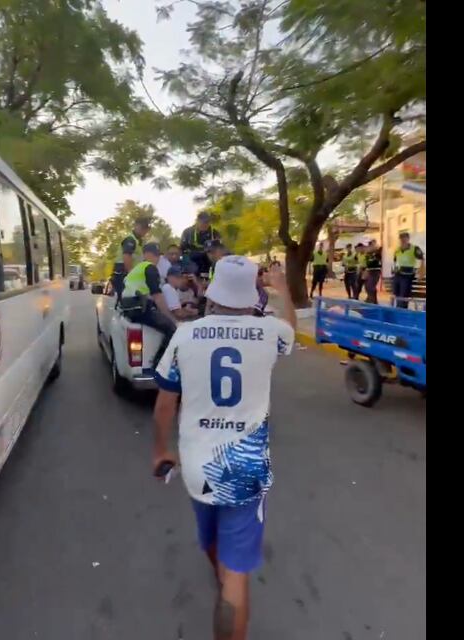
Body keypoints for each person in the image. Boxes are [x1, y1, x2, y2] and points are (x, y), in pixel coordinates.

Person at [152, 258, 297, 640]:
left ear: (212, 296)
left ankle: (221, 571)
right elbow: (291, 328)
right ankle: (229, 580)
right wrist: (281, 287)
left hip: (197, 466)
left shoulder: (185, 335)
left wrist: (161, 451)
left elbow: (164, 405)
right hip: (245, 469)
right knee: (236, 579)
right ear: (253, 298)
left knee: (211, 541)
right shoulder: (269, 332)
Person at [120, 243, 178, 366]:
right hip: (139, 309)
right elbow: (157, 296)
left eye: (157, 255)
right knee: (172, 328)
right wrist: (170, 317)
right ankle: (160, 362)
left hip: (129, 308)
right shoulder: (150, 268)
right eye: (154, 255)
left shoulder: (137, 269)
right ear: (146, 254)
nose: (156, 258)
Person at [112, 216, 151, 301]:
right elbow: (127, 256)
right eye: (142, 227)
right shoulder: (130, 240)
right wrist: (131, 274)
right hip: (123, 273)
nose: (144, 230)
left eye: (146, 228)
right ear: (136, 226)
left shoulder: (139, 241)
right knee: (127, 300)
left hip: (128, 273)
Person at [180, 211, 222, 277]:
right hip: (192, 259)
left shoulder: (215, 233)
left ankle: (209, 279)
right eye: (203, 221)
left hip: (208, 259)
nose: (205, 224)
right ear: (197, 221)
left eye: (207, 222)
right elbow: (182, 249)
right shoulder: (187, 232)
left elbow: (219, 250)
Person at [392, 232, 424, 309]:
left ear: (408, 239)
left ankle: (402, 309)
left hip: (407, 275)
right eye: (401, 238)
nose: (403, 240)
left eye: (404, 238)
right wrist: (394, 270)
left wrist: (421, 272)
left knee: (404, 294)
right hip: (398, 274)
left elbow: (422, 260)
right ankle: (398, 309)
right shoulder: (397, 250)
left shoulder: (414, 248)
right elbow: (395, 261)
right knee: (396, 294)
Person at [357, 239, 382, 304]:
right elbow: (368, 263)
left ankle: (372, 300)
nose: (368, 247)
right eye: (369, 245)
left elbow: (378, 257)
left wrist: (375, 247)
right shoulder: (368, 254)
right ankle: (372, 300)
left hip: (375, 271)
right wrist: (365, 270)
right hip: (369, 270)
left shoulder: (377, 252)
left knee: (370, 286)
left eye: (371, 245)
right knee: (367, 286)